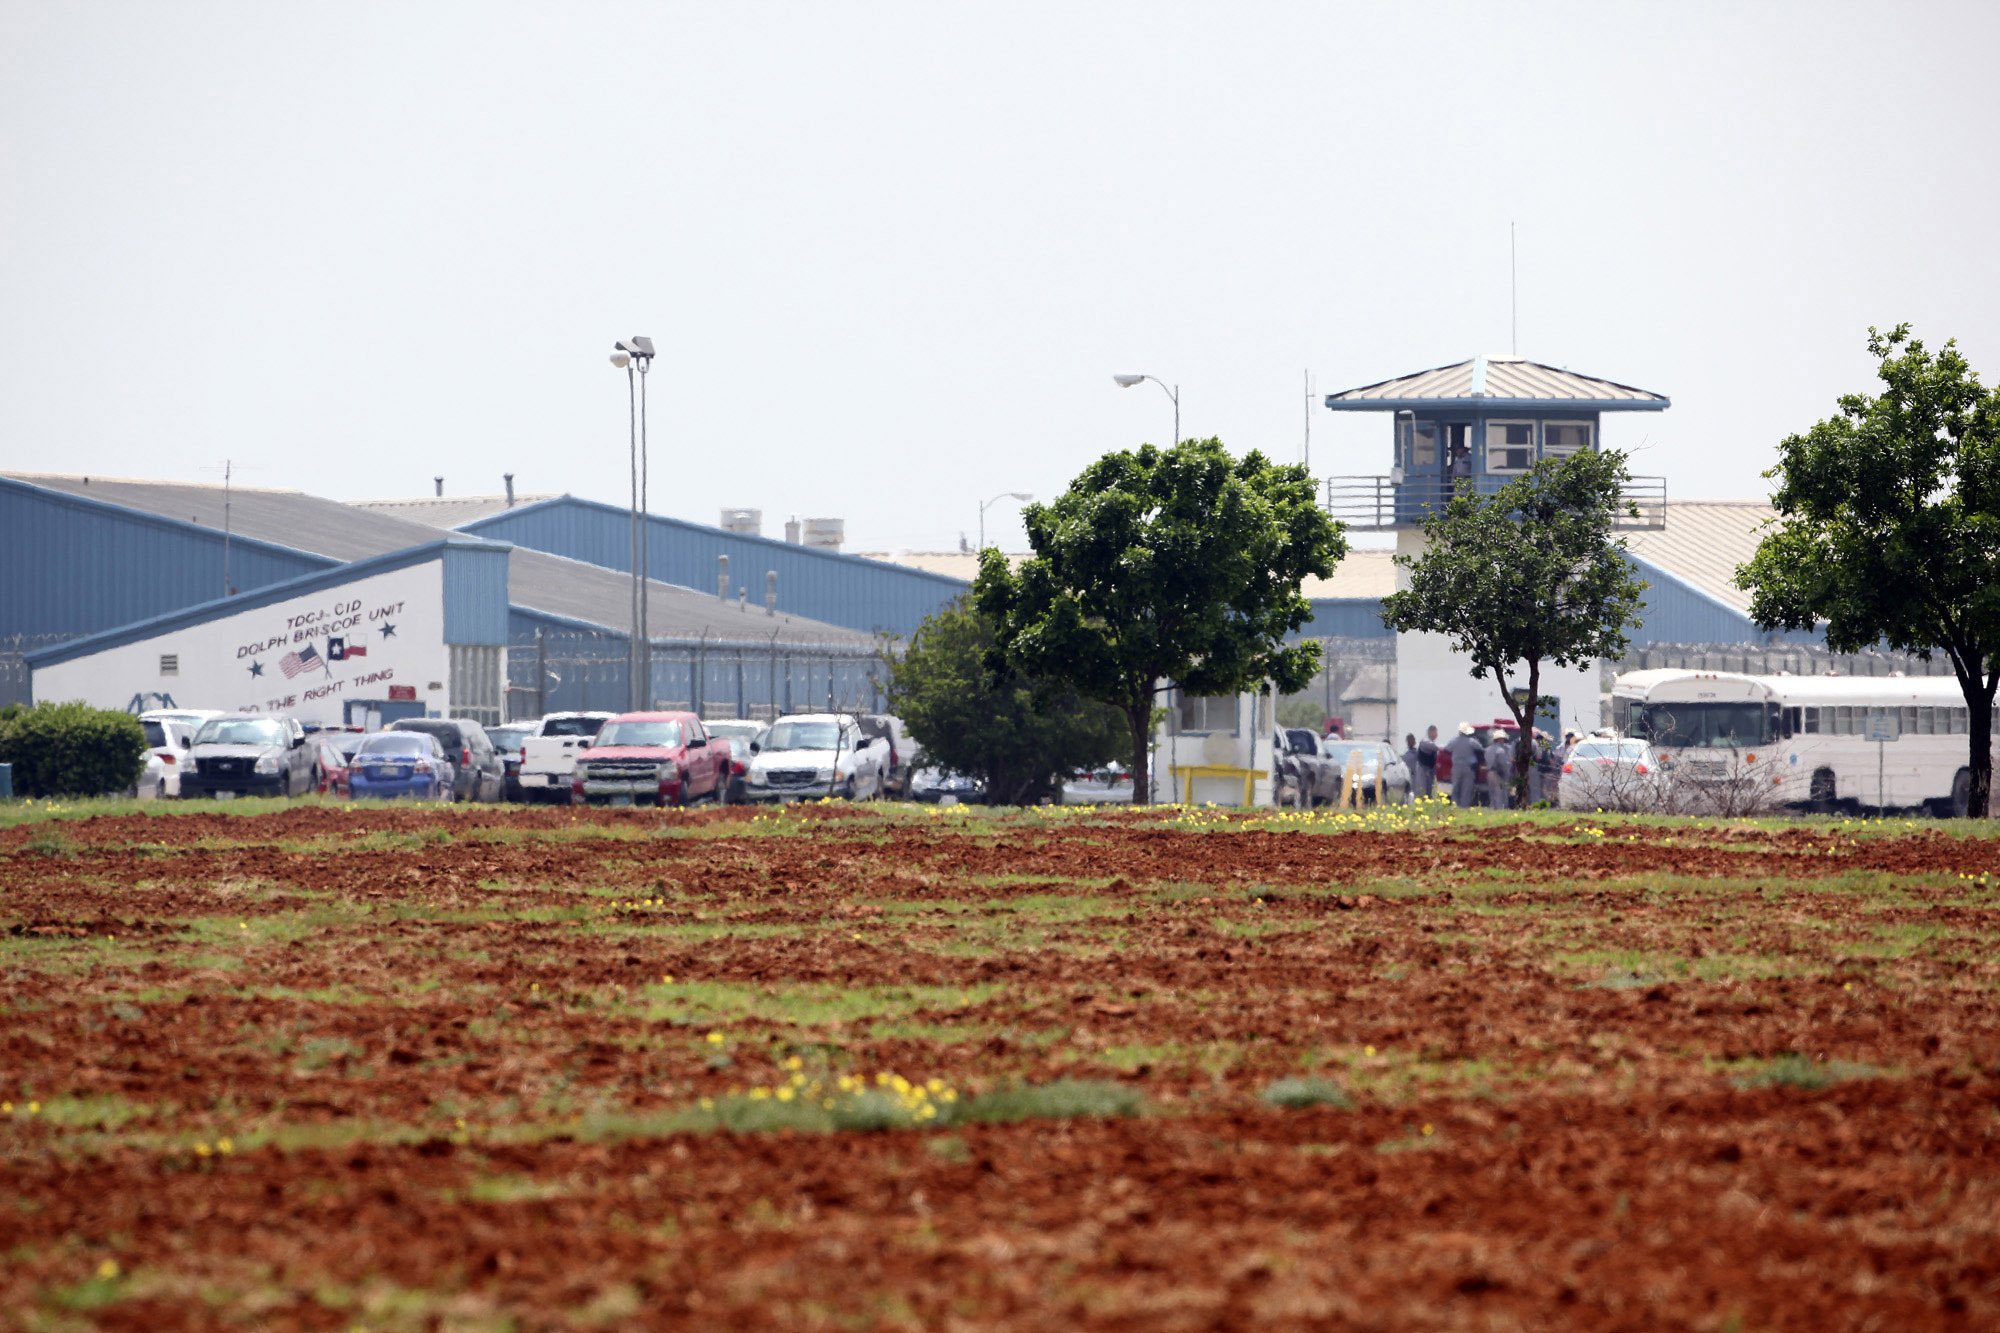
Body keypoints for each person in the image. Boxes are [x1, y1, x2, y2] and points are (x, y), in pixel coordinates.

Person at [1445, 723, 1483, 808]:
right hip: (1468, 768)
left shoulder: (1454, 741)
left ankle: (1455, 805)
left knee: (1455, 787)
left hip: (1456, 767)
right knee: (1467, 788)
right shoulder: (1471, 741)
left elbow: (1446, 750)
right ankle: (1464, 806)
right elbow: (1480, 749)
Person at [1485, 728, 1515, 810]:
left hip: (1490, 772)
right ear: (1501, 739)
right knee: (1501, 792)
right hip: (1499, 773)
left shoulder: (1488, 749)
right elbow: (1503, 763)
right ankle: (1501, 809)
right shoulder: (1501, 750)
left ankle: (1492, 808)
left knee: (1492, 792)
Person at [1414, 725, 1440, 799]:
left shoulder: (1431, 742)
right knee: (1422, 788)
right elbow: (1435, 747)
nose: (1436, 735)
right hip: (1422, 768)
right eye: (1435, 733)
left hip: (1430, 769)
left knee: (1430, 789)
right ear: (1431, 732)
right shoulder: (1425, 741)